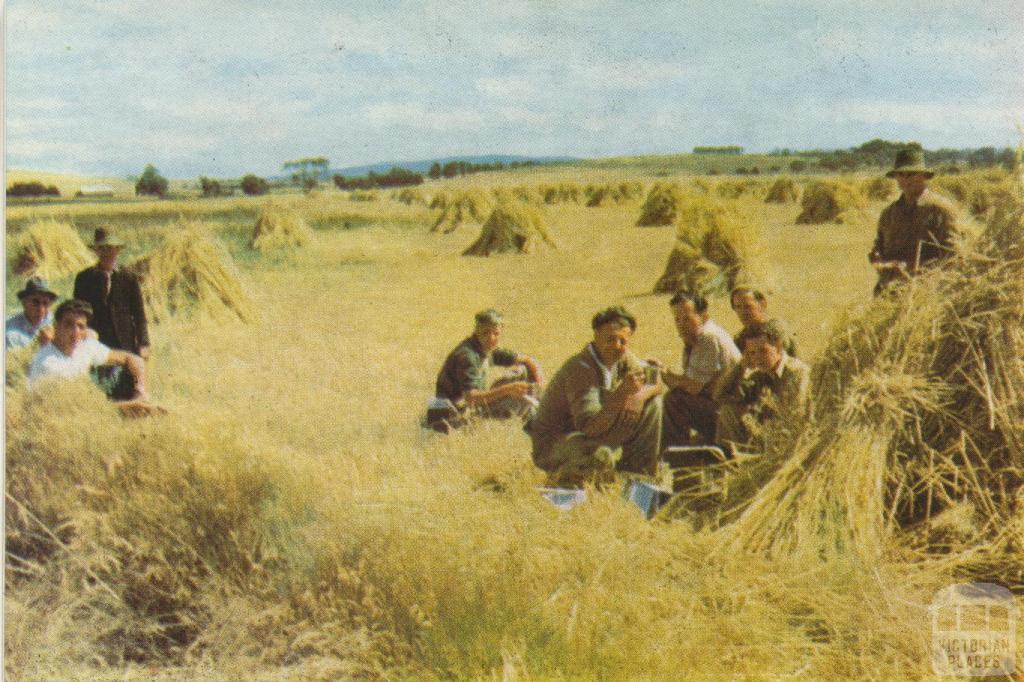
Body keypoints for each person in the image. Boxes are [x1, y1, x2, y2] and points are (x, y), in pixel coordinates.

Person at [528, 306, 663, 487]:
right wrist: (622, 394)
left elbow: (656, 382)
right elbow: (589, 427)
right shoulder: (580, 368)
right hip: (556, 443)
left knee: (652, 405)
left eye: (623, 341)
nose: (616, 346)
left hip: (588, 436)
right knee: (600, 459)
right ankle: (562, 476)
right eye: (610, 339)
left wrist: (639, 397)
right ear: (596, 335)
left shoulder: (622, 358)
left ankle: (638, 477)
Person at [869, 148, 959, 296]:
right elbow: (878, 246)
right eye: (900, 174)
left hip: (927, 295)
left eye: (911, 174)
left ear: (924, 176)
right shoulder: (889, 213)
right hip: (889, 294)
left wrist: (912, 269)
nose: (905, 179)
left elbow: (954, 255)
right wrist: (879, 260)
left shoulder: (940, 210)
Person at [432, 309, 544, 427]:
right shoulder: (467, 356)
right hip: (448, 416)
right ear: (476, 331)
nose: (491, 338)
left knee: (523, 370)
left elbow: (526, 360)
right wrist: (508, 389)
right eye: (485, 332)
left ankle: (540, 410)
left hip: (466, 406)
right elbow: (472, 398)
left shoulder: (486, 348)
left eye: (496, 333)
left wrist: (538, 379)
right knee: (519, 401)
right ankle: (538, 423)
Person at [73, 228, 149, 398]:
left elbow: (139, 314)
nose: (107, 252)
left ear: (118, 250)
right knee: (101, 384)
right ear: (96, 251)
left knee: (128, 382)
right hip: (97, 339)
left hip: (125, 339)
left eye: (111, 248)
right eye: (103, 248)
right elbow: (78, 312)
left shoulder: (128, 277)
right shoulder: (84, 278)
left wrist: (144, 343)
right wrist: (83, 333)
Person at [659, 291, 741, 447]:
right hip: (722, 406)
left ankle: (679, 457)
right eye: (677, 319)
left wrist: (665, 374)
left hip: (730, 413)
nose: (681, 324)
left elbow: (693, 387)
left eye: (687, 319)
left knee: (674, 400)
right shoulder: (695, 339)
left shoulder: (708, 338)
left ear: (703, 316)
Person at [714, 321, 811, 451]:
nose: (758, 358)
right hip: (768, 437)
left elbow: (795, 416)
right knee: (727, 411)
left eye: (763, 351)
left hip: (793, 441)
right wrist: (741, 366)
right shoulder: (762, 376)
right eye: (752, 353)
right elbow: (720, 396)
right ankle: (728, 461)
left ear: (779, 347)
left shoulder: (797, 372)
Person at [28, 299, 147, 400]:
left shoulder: (85, 346)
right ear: (56, 326)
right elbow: (75, 406)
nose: (75, 332)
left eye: (81, 326)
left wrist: (139, 390)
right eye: (69, 324)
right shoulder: (46, 362)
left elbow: (132, 358)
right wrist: (130, 407)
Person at [729, 286, 797, 358]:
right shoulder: (740, 340)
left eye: (747, 306)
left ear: (762, 304)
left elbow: (795, 361)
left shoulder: (778, 330)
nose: (742, 312)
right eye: (738, 307)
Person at [6, 276, 58, 349]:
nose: (41, 309)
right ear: (24, 302)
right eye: (35, 302)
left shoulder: (53, 320)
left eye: (45, 303)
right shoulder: (9, 334)